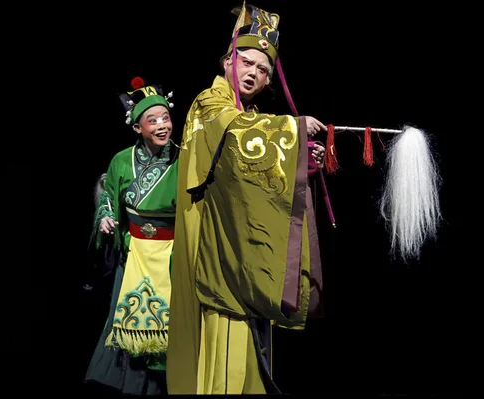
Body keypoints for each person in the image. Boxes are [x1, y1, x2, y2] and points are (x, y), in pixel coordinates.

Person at [166, 2, 327, 394]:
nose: (253, 73)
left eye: (263, 69)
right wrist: (293, 128)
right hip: (214, 241)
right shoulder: (210, 103)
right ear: (227, 61)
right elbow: (237, 133)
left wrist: (299, 162)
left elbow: (252, 170)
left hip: (238, 243)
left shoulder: (247, 112)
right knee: (225, 328)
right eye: (247, 62)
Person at [84, 76, 179, 395]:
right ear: (138, 128)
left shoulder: (185, 158)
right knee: (129, 331)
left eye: (166, 117)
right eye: (153, 120)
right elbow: (108, 195)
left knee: (170, 333)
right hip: (135, 252)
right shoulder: (121, 161)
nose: (163, 125)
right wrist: (106, 217)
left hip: (171, 256)